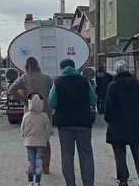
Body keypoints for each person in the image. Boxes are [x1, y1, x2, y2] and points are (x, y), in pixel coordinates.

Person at [48, 58, 96, 186]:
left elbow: (51, 102)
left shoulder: (57, 82)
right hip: (83, 122)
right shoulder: (84, 81)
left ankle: (70, 183)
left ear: (61, 68)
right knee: (86, 154)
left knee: (67, 155)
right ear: (75, 67)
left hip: (64, 123)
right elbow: (93, 99)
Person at [104, 61, 139, 186]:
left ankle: (123, 180)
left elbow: (108, 108)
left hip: (117, 126)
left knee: (119, 155)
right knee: (138, 153)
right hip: (135, 124)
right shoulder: (137, 84)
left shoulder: (112, 86)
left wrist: (110, 120)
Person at [8, 56, 54, 174]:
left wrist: (24, 100)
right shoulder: (47, 78)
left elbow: (12, 89)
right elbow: (55, 90)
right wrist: (50, 101)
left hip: (30, 111)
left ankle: (33, 165)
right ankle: (46, 167)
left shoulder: (24, 78)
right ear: (38, 65)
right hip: (45, 110)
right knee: (46, 138)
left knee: (31, 137)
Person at [20, 93, 51, 186]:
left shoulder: (26, 115)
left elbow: (22, 129)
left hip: (29, 142)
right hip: (41, 143)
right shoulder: (44, 116)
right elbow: (48, 130)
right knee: (38, 163)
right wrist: (46, 139)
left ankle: (30, 182)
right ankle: (38, 182)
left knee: (31, 161)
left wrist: (25, 136)